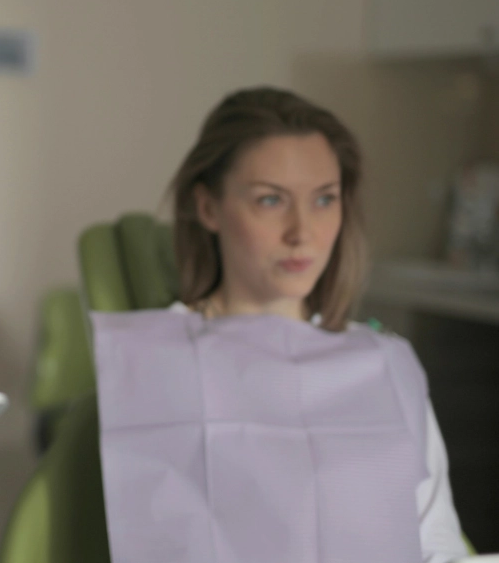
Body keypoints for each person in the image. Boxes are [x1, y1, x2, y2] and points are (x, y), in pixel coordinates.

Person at [91, 87, 468, 563]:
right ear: (208, 207)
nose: (302, 232)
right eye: (271, 200)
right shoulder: (151, 363)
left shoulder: (383, 364)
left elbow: (435, 544)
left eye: (324, 199)